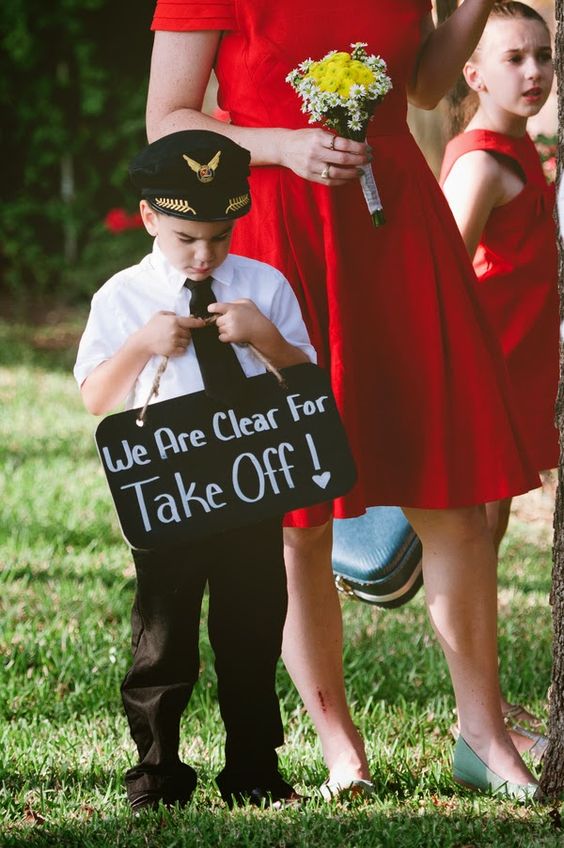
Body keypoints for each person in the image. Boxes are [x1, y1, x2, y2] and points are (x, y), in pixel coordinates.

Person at [146, 0, 544, 800]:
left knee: (455, 495)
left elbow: (428, 88)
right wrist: (285, 146)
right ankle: (338, 745)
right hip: (276, 227)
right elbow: (168, 121)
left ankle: (483, 738)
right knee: (300, 518)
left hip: (393, 223)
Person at [73, 130, 316, 812]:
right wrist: (144, 343)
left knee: (251, 625)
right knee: (163, 633)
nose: (205, 252)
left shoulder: (261, 285)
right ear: (149, 218)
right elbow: (96, 397)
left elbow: (308, 378)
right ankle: (155, 772)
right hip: (168, 493)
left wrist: (264, 338)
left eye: (218, 235)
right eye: (187, 237)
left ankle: (253, 771)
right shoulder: (122, 297)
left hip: (250, 481)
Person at [440, 1, 557, 763]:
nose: (535, 72)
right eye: (513, 58)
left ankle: (482, 721)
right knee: (472, 551)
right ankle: (477, 732)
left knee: (489, 542)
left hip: (519, 381)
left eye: (544, 56)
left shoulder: (523, 155)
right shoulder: (482, 160)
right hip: (484, 383)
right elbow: (443, 273)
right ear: (472, 73)